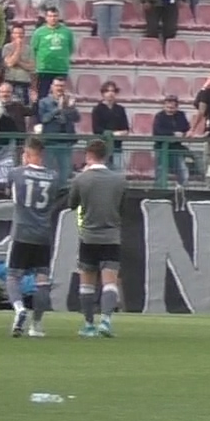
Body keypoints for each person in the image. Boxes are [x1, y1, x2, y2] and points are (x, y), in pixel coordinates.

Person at [67, 138, 126, 338]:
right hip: (111, 237)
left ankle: (89, 324)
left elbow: (71, 204)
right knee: (110, 282)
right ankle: (106, 322)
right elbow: (122, 208)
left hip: (89, 236)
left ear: (88, 156)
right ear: (106, 156)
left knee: (87, 283)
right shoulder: (119, 180)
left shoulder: (80, 179)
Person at [7, 139, 59, 339]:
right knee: (42, 281)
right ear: (42, 155)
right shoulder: (53, 177)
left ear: (27, 155)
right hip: (43, 233)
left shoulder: (16, 173)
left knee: (13, 276)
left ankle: (19, 309)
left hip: (21, 231)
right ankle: (36, 324)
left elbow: (9, 191)